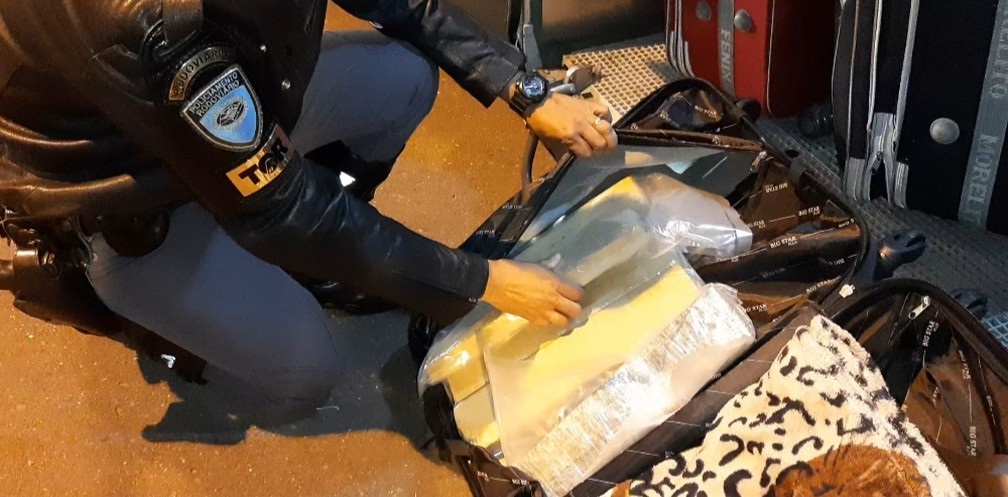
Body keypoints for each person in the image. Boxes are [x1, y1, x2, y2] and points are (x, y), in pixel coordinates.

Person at [0, 0, 618, 422]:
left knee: (405, 80)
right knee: (306, 376)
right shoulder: (155, 26)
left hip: (239, 85)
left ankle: (314, 255)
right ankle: (122, 302)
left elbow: (403, 3)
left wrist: (525, 88)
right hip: (131, 196)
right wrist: (483, 281)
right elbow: (285, 210)